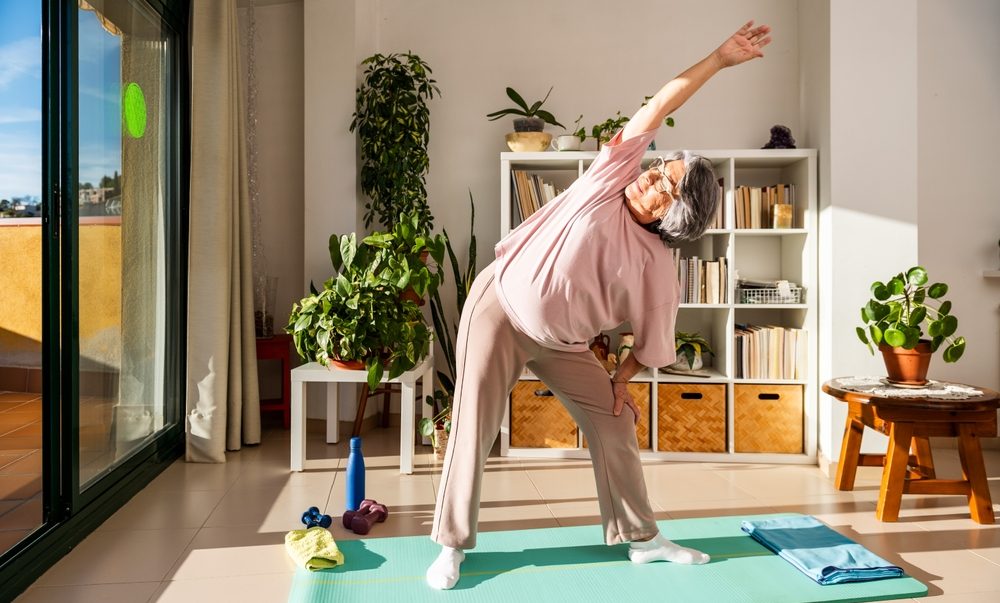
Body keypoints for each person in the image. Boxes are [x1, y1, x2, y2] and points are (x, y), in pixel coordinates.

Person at [426, 20, 772, 590]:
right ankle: (451, 546)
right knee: (474, 426)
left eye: (667, 185)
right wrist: (718, 59)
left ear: (676, 214)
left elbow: (652, 343)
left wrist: (620, 380)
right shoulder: (612, 177)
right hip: (500, 308)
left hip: (562, 345)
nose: (653, 179)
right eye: (660, 169)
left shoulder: (659, 267)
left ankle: (643, 539)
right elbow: (659, 103)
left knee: (616, 423)